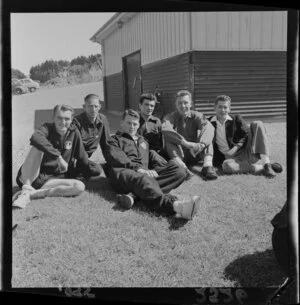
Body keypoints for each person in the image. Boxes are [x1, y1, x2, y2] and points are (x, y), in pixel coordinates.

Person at [103, 109, 201, 220]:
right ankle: (177, 207)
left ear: (138, 124)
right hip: (123, 173)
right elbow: (117, 158)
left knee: (179, 171)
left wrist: (163, 167)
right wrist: (139, 169)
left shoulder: (143, 141)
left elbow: (151, 157)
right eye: (128, 123)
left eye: (135, 124)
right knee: (144, 179)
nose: (132, 126)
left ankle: (134, 195)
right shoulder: (114, 140)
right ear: (122, 123)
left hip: (144, 175)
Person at [13, 104, 92, 209]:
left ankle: (34, 194)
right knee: (37, 146)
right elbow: (35, 138)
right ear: (53, 118)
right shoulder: (46, 128)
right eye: (59, 118)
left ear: (72, 119)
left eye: (67, 119)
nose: (63, 122)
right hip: (31, 177)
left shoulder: (74, 132)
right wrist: (58, 157)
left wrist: (88, 175)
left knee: (79, 186)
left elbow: (81, 156)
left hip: (50, 181)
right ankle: (25, 191)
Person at [209, 95, 283, 177]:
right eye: (220, 107)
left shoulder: (236, 119)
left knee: (257, 123)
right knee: (227, 167)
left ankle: (266, 164)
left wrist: (235, 148)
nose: (223, 110)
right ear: (215, 107)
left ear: (229, 109)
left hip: (246, 152)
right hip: (230, 159)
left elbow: (247, 134)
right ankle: (260, 167)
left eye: (225, 107)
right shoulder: (209, 122)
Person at [161, 90, 218, 180]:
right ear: (176, 105)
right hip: (178, 153)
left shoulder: (197, 115)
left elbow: (208, 127)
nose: (183, 106)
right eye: (180, 103)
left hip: (195, 152)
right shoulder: (170, 117)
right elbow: (165, 129)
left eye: (185, 103)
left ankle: (207, 167)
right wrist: (185, 143)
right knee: (169, 139)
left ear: (191, 104)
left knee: (207, 136)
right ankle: (183, 168)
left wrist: (200, 145)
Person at [72, 94, 111, 177]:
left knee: (97, 170)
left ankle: (78, 169)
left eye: (96, 106)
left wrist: (110, 162)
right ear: (84, 106)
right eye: (90, 106)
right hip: (75, 156)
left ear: (100, 107)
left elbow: (106, 143)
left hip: (85, 158)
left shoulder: (103, 119)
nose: (93, 109)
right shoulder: (76, 121)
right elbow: (75, 146)